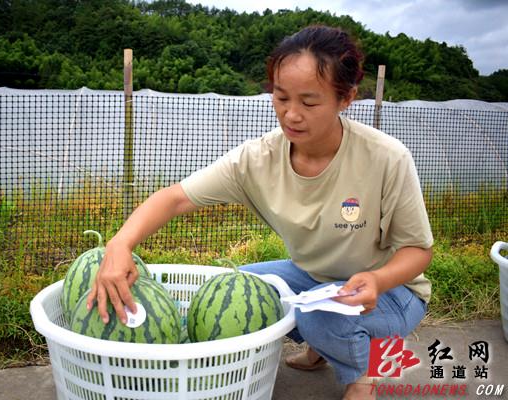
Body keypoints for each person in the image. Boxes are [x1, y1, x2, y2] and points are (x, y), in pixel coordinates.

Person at [87, 24, 433, 400]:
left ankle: (365, 373)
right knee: (236, 288)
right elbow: (175, 198)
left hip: (392, 290)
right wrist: (119, 245)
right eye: (281, 98)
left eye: (309, 102)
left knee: (319, 316)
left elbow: (418, 251)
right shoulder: (257, 160)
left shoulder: (385, 158)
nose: (291, 115)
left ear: (346, 98)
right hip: (315, 279)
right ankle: (323, 346)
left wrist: (378, 280)